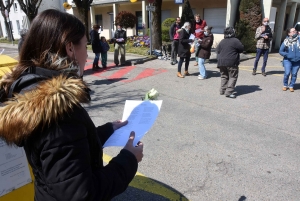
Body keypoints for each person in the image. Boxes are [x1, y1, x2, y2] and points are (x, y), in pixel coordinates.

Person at [0, 9, 143, 201]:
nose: (86, 56)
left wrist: (108, 129)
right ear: (70, 48)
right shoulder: (56, 111)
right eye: (85, 46)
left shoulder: (31, 88)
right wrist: (128, 159)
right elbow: (81, 194)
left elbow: (68, 150)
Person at [216, 27, 244, 98]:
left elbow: (218, 50)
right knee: (233, 76)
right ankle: (228, 92)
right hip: (231, 62)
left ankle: (222, 90)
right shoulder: (235, 40)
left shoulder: (222, 41)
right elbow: (241, 49)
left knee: (224, 76)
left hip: (221, 62)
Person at [279, 27, 300, 92]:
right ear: (289, 33)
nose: (295, 32)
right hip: (288, 60)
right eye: (293, 31)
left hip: (297, 61)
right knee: (287, 73)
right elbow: (281, 51)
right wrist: (287, 55)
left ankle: (291, 86)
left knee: (294, 74)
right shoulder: (286, 41)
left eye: (295, 31)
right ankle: (285, 85)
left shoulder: (299, 40)